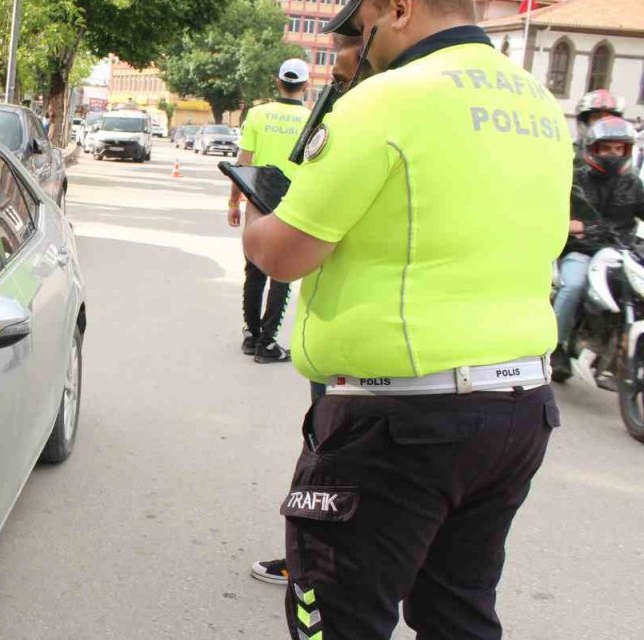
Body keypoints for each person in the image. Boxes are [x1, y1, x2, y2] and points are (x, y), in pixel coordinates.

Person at [242, 0, 570, 637]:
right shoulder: (538, 103)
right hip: (518, 408)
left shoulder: (387, 100)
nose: (358, 40)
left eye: (360, 24)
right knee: (458, 613)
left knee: (336, 620)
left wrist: (258, 218)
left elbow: (285, 255)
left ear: (400, 9)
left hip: (400, 425)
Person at [249, 30, 373, 587]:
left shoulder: (367, 116)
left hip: (360, 341)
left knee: (331, 460)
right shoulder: (516, 108)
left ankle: (315, 564)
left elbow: (282, 255)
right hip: (498, 378)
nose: (334, 69)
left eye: (344, 56)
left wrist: (256, 215)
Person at [227, 58, 311, 364]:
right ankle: (268, 342)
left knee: (254, 269)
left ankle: (251, 336)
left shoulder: (258, 114)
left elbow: (243, 162)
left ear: (277, 82)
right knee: (282, 272)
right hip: (292, 202)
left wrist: (233, 202)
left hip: (257, 201)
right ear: (306, 85)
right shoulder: (313, 118)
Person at [551, 116, 644, 381]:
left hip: (620, 250)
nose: (613, 155)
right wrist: (569, 225)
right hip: (582, 249)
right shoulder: (575, 179)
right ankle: (555, 347)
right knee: (573, 286)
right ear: (594, 149)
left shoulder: (633, 183)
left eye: (619, 149)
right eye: (607, 148)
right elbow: (557, 213)